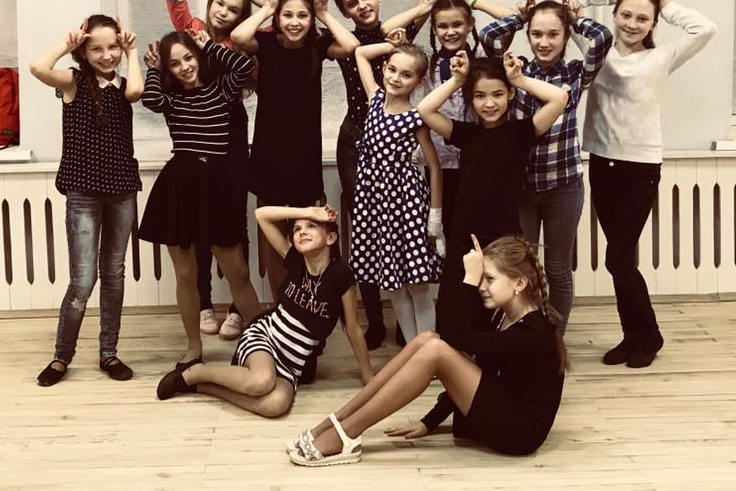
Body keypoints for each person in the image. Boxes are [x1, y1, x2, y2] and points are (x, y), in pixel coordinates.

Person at [287, 235, 567, 465]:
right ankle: (336, 421)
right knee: (426, 339)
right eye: (482, 279)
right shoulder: (504, 316)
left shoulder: (535, 334)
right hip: (502, 408)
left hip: (518, 433)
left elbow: (454, 340)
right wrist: (430, 422)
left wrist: (469, 279)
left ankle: (346, 434)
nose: (482, 287)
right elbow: (473, 366)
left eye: (489, 279)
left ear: (520, 283)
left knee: (435, 348)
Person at [565, 0, 716, 367]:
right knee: (622, 260)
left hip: (641, 168)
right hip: (602, 163)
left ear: (653, 23)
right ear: (615, 14)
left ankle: (648, 335)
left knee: (617, 259)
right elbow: (563, 2)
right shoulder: (597, 48)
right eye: (625, 14)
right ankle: (633, 336)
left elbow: (705, 28)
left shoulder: (661, 57)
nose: (632, 24)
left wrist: (669, 6)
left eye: (643, 18)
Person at [479, 0, 614, 332]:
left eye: (553, 34)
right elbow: (489, 36)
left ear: (565, 36)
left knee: (557, 268)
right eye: (536, 34)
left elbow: (602, 38)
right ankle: (527, 333)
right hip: (522, 189)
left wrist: (575, 17)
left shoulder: (574, 73)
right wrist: (520, 17)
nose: (544, 41)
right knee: (521, 269)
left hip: (563, 187)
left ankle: (554, 338)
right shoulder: (515, 70)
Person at [328, 0, 444, 348]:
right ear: (344, 11)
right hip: (357, 140)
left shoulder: (402, 34)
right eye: (351, 3)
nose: (361, 5)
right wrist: (389, 40)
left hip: (398, 151)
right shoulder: (345, 41)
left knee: (404, 250)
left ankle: (415, 338)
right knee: (368, 228)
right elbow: (358, 49)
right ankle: (376, 320)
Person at [156, 205, 373, 417]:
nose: (302, 232)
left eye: (311, 226)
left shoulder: (341, 276)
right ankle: (196, 372)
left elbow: (353, 329)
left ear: (330, 238)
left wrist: (369, 380)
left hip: (291, 361)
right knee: (261, 382)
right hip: (264, 337)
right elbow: (261, 215)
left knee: (275, 405)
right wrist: (307, 212)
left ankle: (201, 387)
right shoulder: (295, 260)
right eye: (297, 229)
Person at [138, 29, 264, 373]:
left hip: (216, 186)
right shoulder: (170, 99)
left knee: (237, 271)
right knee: (186, 273)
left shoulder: (221, 89)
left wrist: (208, 45)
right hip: (180, 185)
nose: (184, 67)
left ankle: (264, 343)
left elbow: (243, 67)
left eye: (188, 57)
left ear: (198, 57)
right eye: (175, 63)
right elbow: (150, 99)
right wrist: (153, 68)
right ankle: (194, 347)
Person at [418, 51, 568, 337]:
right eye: (479, 96)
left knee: (497, 307)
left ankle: (490, 355)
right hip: (464, 236)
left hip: (503, 238)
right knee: (453, 310)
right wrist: (458, 80)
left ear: (510, 94)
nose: (489, 103)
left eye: (498, 94)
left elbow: (559, 98)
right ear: (470, 99)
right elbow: (425, 109)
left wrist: (519, 79)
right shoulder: (467, 134)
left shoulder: (521, 132)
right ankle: (451, 353)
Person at [29, 15, 143, 386]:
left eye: (112, 47)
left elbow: (137, 92)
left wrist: (133, 52)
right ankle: (62, 357)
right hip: (83, 194)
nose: (106, 55)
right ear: (84, 51)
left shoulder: (124, 84)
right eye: (96, 49)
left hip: (121, 190)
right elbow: (37, 67)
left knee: (114, 275)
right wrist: (67, 44)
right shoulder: (73, 81)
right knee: (82, 280)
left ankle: (109, 353)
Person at [231, 0, 358, 297]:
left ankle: (307, 302)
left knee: (306, 235)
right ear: (277, 17)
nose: (295, 22)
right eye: (287, 14)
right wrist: (266, 8)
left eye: (302, 15)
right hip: (269, 155)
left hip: (304, 156)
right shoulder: (265, 43)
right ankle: (281, 305)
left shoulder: (317, 45)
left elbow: (351, 45)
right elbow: (238, 37)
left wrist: (323, 13)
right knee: (273, 238)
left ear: (311, 18)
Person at [162, 0, 256, 340]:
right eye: (220, 2)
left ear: (241, 17)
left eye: (234, 9)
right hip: (194, 131)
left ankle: (237, 309)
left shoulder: (243, 41)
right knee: (197, 222)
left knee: (233, 217)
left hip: (230, 130)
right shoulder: (192, 30)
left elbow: (247, 73)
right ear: (211, 2)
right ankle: (203, 303)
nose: (224, 12)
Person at [349, 29, 443, 343]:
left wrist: (435, 217)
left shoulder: (416, 118)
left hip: (405, 205)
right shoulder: (375, 99)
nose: (396, 78)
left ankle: (428, 349)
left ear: (418, 81)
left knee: (417, 286)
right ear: (384, 68)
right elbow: (360, 53)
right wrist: (393, 44)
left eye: (406, 74)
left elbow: (434, 166)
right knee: (394, 287)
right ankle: (413, 350)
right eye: (392, 69)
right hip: (375, 206)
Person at [422, 0, 514, 273]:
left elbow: (513, 18)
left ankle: (487, 293)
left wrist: (473, 0)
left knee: (485, 241)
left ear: (470, 24)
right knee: (450, 239)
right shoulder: (427, 63)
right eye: (442, 26)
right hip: (440, 167)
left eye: (458, 24)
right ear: (434, 29)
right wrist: (425, 6)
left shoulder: (485, 58)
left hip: (478, 164)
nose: (450, 32)